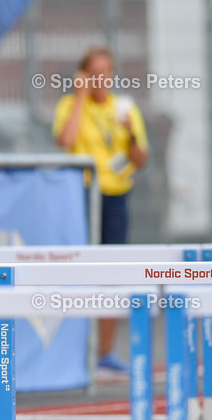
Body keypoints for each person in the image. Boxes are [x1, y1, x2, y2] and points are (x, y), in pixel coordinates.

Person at [53, 46, 149, 373]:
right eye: (93, 72)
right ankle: (76, 353)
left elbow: (140, 159)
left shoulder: (125, 107)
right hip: (82, 195)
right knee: (79, 271)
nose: (100, 79)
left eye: (105, 72)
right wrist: (80, 96)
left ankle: (105, 352)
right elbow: (65, 141)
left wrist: (131, 132)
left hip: (115, 197)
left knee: (112, 273)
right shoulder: (70, 105)